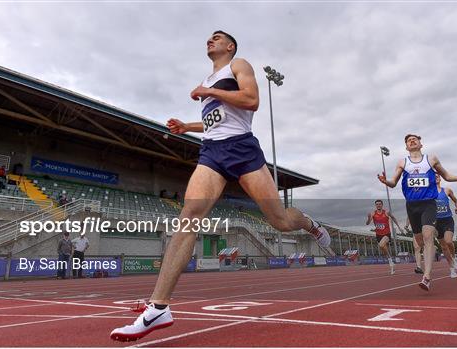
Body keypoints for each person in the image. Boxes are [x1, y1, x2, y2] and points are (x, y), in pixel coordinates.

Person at [110, 30, 330, 342]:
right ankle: (159, 307)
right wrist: (189, 126)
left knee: (280, 221)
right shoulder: (209, 79)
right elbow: (218, 119)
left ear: (230, 46)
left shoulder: (238, 65)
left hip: (241, 149)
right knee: (189, 216)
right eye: (208, 38)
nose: (209, 41)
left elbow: (251, 101)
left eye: (217, 38)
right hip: (212, 152)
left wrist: (209, 92)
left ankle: (308, 223)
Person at [378, 134, 457, 291]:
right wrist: (385, 181)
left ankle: (426, 277)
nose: (412, 141)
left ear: (421, 144)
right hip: (412, 206)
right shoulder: (402, 162)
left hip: (428, 204)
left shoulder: (431, 159)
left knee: (428, 237)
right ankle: (432, 254)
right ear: (407, 146)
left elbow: (446, 175)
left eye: (415, 139)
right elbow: (393, 182)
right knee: (420, 242)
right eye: (408, 140)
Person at [366, 199, 404, 275]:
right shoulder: (373, 213)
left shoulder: (386, 212)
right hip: (378, 234)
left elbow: (393, 218)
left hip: (387, 234)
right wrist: (368, 218)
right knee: (382, 247)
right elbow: (367, 223)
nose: (378, 205)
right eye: (377, 204)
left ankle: (390, 261)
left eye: (380, 204)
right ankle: (391, 261)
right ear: (375, 205)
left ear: (382, 205)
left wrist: (399, 227)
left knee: (381, 245)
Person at [434, 173, 457, 278]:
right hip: (436, 222)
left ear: (440, 178)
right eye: (433, 176)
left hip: (447, 220)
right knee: (443, 247)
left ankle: (454, 257)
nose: (435, 177)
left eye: (437, 176)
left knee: (448, 241)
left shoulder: (447, 190)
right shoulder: (428, 193)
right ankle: (451, 269)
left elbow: (456, 201)